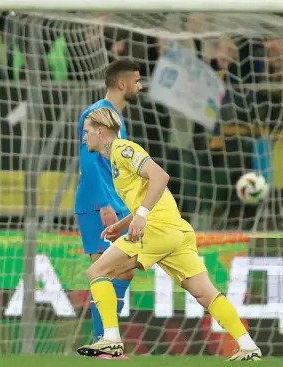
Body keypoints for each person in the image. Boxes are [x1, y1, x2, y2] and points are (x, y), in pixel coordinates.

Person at [77, 108, 262, 361]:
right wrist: (123, 224)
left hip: (157, 228)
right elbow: (147, 196)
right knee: (204, 293)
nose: (83, 137)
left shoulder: (123, 149)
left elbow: (160, 176)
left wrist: (141, 216)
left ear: (101, 131)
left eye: (86, 132)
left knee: (96, 271)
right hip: (175, 230)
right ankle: (248, 345)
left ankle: (110, 339)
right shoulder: (114, 160)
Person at [74, 59, 140, 358]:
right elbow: (88, 161)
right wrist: (104, 205)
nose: (139, 86)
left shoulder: (114, 117)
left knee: (124, 272)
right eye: (137, 81)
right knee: (105, 270)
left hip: (112, 203)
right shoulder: (97, 114)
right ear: (123, 84)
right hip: (96, 204)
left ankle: (106, 339)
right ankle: (104, 344)